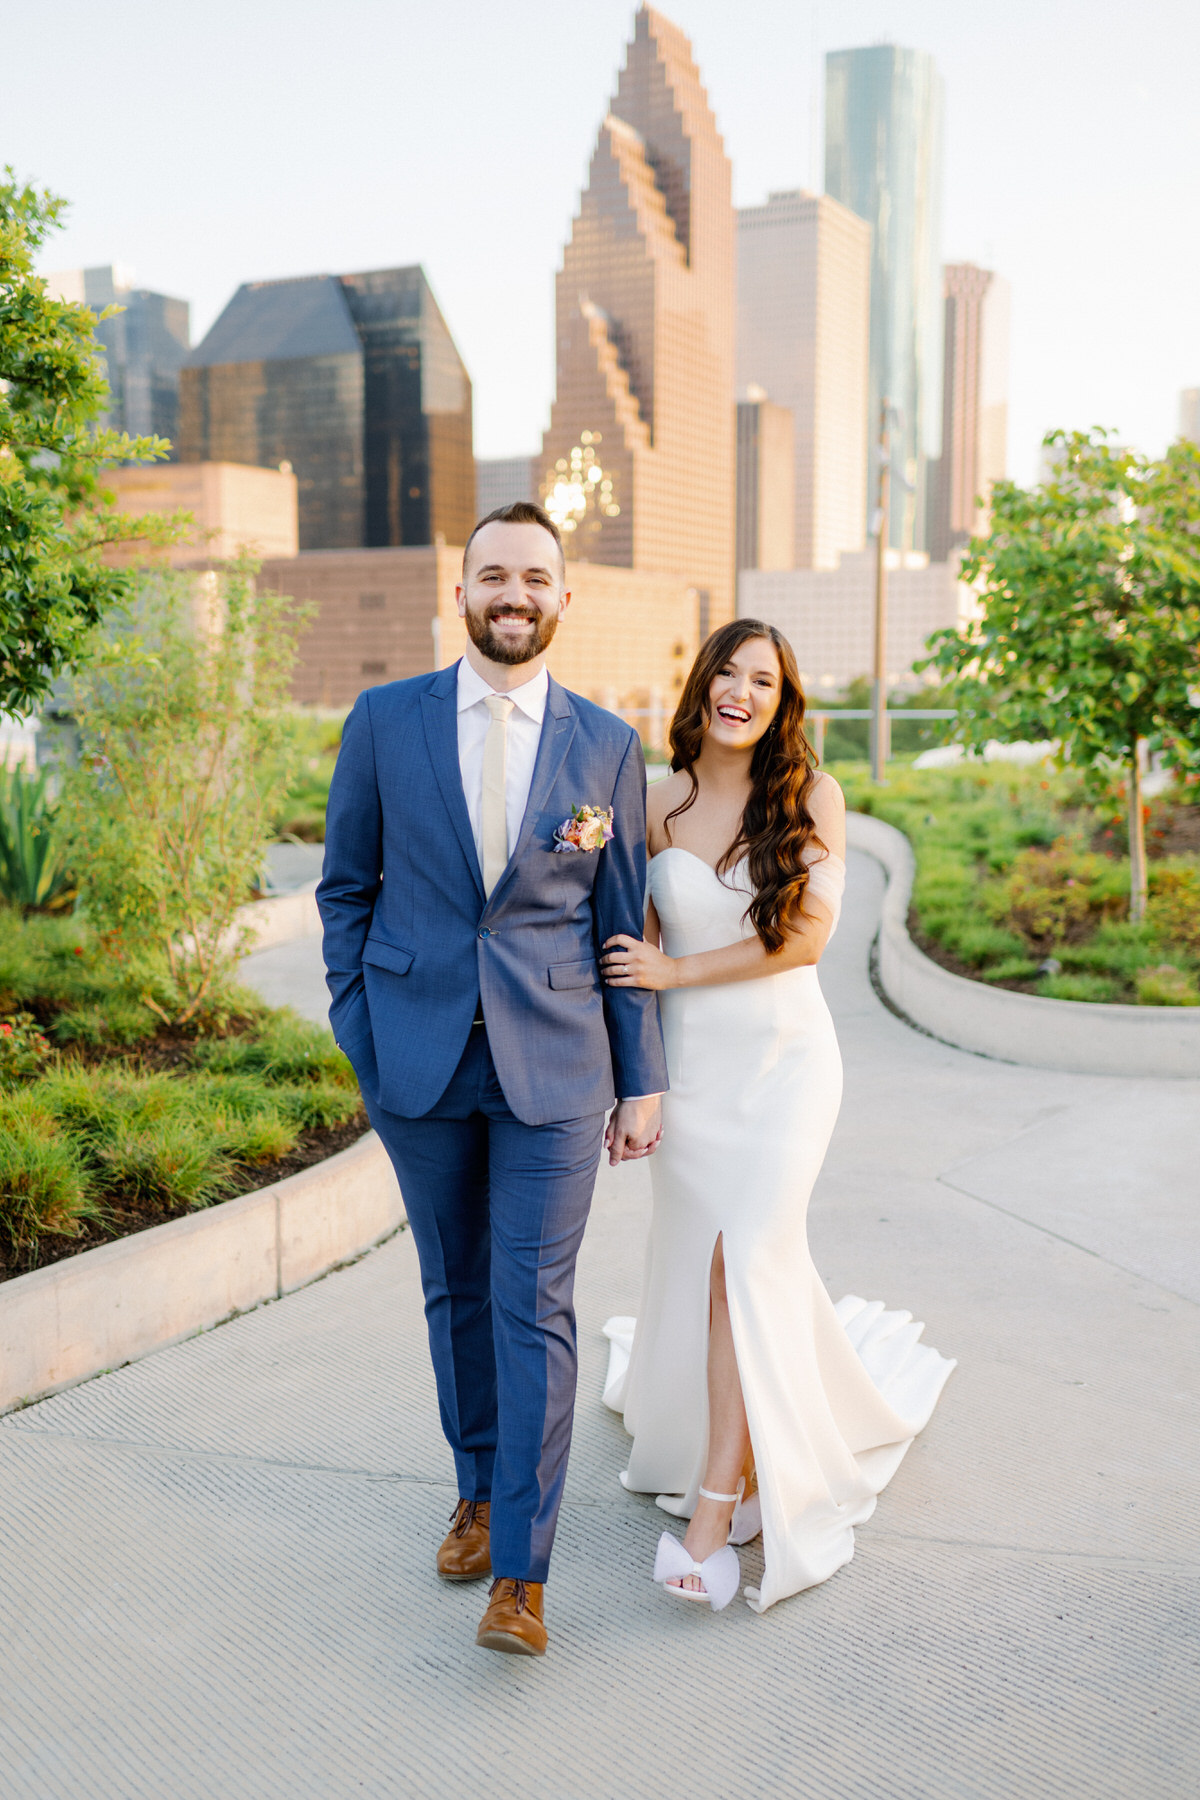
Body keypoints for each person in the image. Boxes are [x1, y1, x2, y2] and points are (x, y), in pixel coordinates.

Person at [318, 501, 667, 1657]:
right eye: (492, 576)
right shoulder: (382, 723)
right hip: (414, 1059)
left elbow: (623, 923)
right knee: (455, 1291)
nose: (513, 594)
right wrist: (360, 1030)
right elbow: (347, 891)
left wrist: (641, 1077)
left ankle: (520, 1570)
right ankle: (473, 1489)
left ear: (565, 600)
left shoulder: (607, 745)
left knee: (534, 1305)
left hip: (557, 1069)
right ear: (460, 594)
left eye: (534, 578)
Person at [599, 619, 955, 1613]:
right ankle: (740, 1458)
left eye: (763, 679)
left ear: (781, 700)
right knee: (710, 1260)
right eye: (728, 671)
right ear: (702, 682)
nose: (742, 692)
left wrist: (675, 969)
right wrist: (641, 1083)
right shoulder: (655, 801)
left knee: (742, 1255)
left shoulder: (811, 796)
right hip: (694, 1078)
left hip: (787, 1067)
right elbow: (635, 949)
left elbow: (802, 941)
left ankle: (714, 1513)